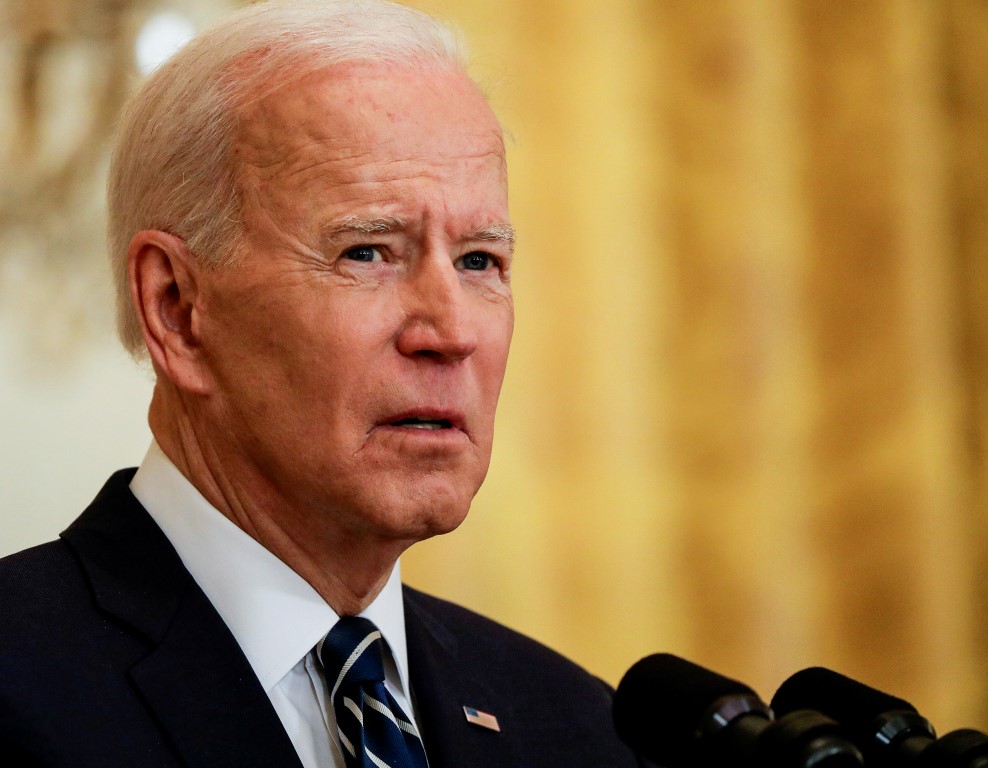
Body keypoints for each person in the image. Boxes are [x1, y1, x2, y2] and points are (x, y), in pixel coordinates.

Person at [0, 1, 644, 766]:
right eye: (367, 252)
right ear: (176, 308)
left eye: (480, 262)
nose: (451, 333)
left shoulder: (577, 725)